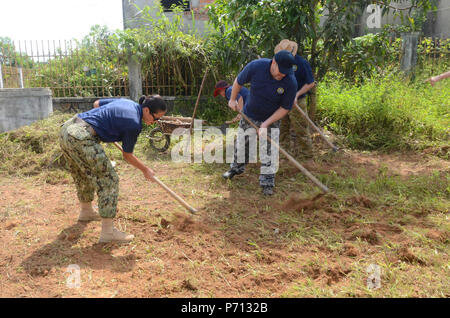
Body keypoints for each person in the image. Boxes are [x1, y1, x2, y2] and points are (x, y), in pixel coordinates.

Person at [59, 95, 167, 243]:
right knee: (109, 180)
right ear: (147, 110)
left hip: (67, 129)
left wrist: (104, 123)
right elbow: (127, 156)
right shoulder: (134, 123)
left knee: (83, 172)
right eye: (156, 118)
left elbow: (96, 104)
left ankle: (86, 211)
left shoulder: (126, 102)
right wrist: (145, 169)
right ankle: (108, 233)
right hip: (81, 136)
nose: (155, 122)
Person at [222, 50, 297, 196]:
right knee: (242, 143)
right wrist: (232, 99)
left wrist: (266, 124)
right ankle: (236, 169)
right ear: (273, 62)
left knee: (270, 150)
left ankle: (267, 182)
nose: (282, 75)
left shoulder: (290, 81)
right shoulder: (256, 66)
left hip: (272, 119)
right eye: (280, 71)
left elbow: (285, 108)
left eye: (285, 73)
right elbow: (239, 81)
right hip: (250, 113)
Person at [275, 39, 316, 158]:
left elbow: (310, 83)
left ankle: (306, 155)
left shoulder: (301, 62)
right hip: (282, 101)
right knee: (282, 128)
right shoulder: (278, 63)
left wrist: (297, 94)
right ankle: (284, 153)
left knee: (301, 129)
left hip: (297, 101)